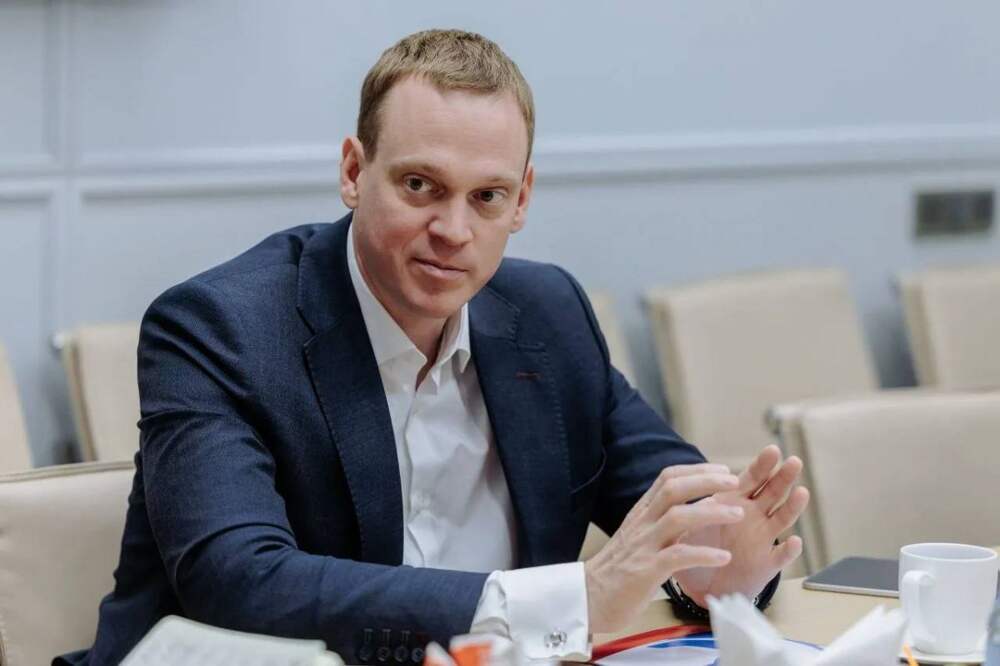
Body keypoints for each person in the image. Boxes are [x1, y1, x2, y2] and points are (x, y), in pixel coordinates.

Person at [56, 29, 808, 665]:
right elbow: (239, 584)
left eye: (487, 197)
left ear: (522, 199)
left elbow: (679, 517)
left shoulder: (548, 317)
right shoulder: (218, 328)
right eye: (420, 185)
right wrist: (569, 598)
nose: (453, 230)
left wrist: (717, 567)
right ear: (354, 172)